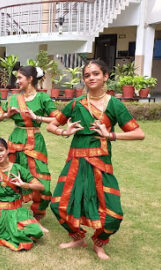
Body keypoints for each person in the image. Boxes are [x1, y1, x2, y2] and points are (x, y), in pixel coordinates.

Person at [46, 59, 145, 260]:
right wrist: (65, 132)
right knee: (58, 204)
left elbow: (138, 133)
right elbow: (51, 126)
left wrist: (110, 135)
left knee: (113, 213)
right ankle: (77, 237)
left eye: (95, 74)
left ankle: (99, 243)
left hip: (101, 162)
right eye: (87, 75)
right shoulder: (76, 104)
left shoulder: (115, 104)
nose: (91, 78)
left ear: (105, 76)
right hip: (75, 161)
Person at [0, 66, 60, 231]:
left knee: (41, 180)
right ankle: (12, 212)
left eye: (20, 78)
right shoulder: (13, 98)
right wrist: (7, 115)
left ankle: (37, 215)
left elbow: (59, 118)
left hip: (35, 141)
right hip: (15, 140)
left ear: (30, 79)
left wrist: (36, 117)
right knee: (11, 176)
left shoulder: (42, 97)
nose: (17, 81)